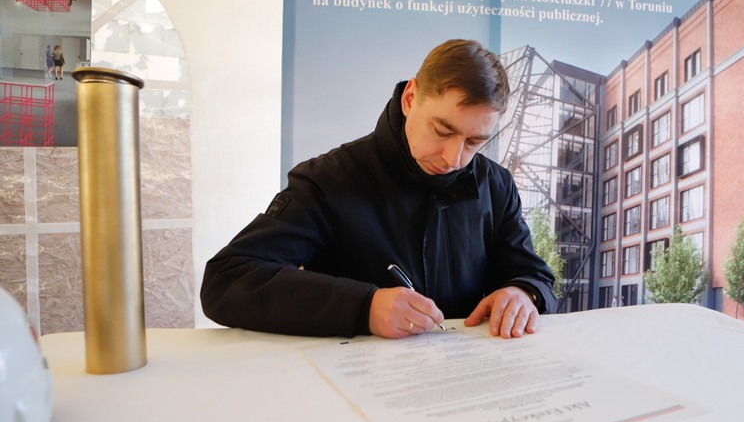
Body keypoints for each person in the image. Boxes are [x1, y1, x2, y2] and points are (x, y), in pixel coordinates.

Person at [201, 39, 557, 340]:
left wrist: (524, 293)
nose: (453, 158)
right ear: (410, 99)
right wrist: (364, 307)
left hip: (468, 383)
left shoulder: (496, 184)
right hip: (354, 388)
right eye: (442, 131)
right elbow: (226, 281)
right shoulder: (328, 180)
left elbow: (533, 275)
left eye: (475, 142)